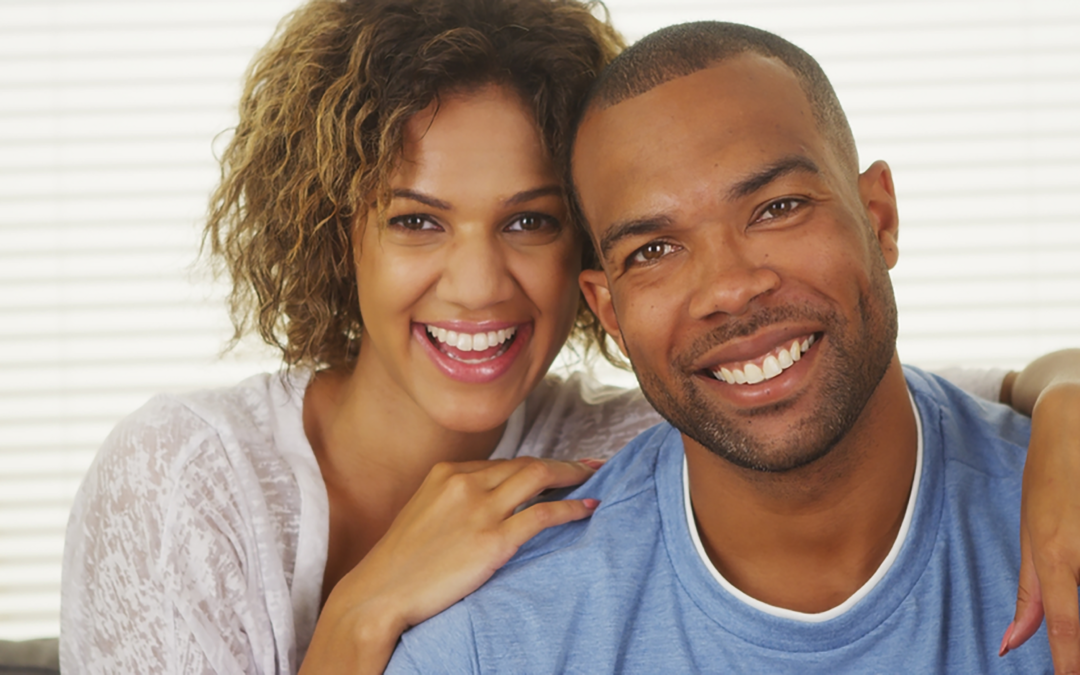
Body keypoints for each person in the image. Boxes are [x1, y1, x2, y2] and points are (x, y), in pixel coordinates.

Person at [59, 2, 1076, 673]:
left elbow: (856, 377)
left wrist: (1068, 405)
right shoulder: (186, 479)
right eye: (418, 220)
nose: (476, 282)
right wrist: (362, 619)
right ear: (337, 234)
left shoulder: (631, 436)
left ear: (589, 282)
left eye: (530, 220)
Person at [383, 21, 1080, 674]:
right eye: (655, 248)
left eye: (778, 208)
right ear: (609, 312)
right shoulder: (489, 645)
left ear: (880, 219)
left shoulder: (1060, 504)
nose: (731, 288)